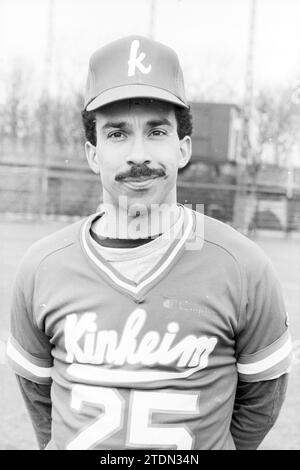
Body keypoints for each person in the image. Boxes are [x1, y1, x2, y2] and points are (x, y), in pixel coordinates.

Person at [6, 35, 292, 450]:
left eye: (156, 131)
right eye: (117, 134)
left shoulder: (244, 266)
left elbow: (260, 406)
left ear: (182, 148)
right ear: (92, 154)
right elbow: (39, 399)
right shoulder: (41, 268)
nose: (138, 154)